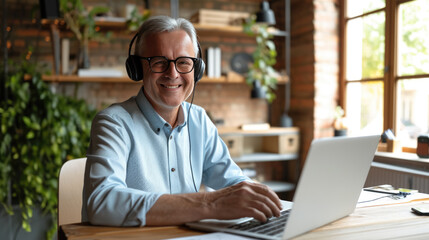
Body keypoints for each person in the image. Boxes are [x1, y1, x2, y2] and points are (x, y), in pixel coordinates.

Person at [82, 15, 282, 227]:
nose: (173, 73)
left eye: (184, 62)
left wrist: (260, 198)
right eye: (159, 62)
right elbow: (102, 202)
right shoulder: (114, 123)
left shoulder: (199, 120)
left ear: (197, 70)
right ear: (138, 69)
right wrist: (211, 204)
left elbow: (233, 180)